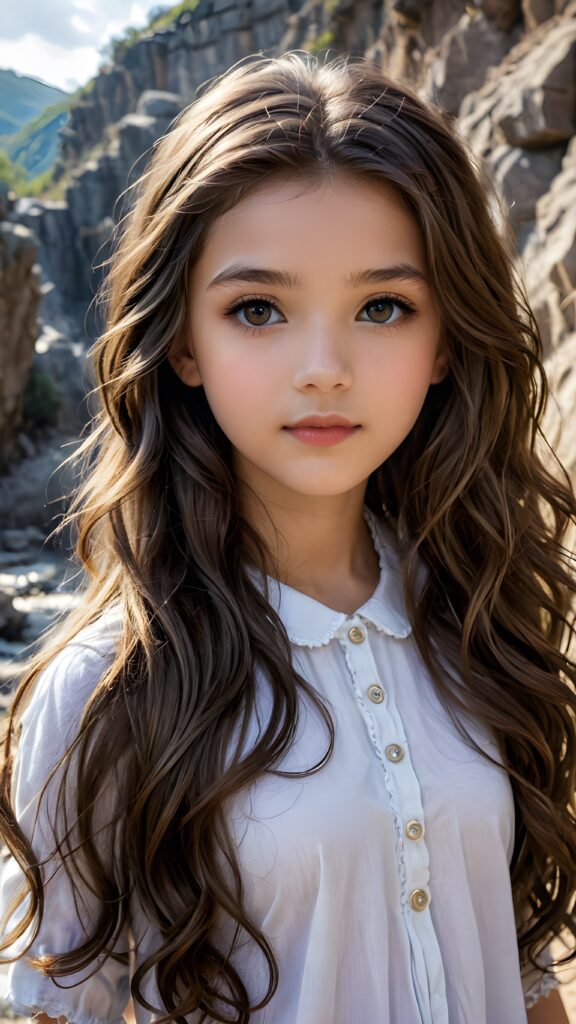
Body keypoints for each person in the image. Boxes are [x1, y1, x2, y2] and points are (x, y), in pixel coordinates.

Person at [0, 49, 574, 1024]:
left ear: (444, 343)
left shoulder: (478, 616)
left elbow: (524, 975)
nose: (324, 367)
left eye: (382, 307)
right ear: (183, 339)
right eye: (257, 309)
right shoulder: (107, 691)